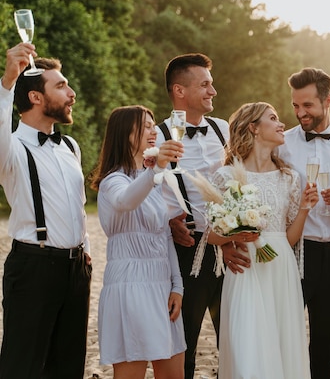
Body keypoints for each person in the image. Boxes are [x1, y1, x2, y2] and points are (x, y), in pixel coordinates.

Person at [223, 67, 330, 379]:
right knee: (281, 339)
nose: (300, 113)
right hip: (290, 253)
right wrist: (229, 243)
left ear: (328, 101)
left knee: (327, 342)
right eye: (296, 106)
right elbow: (249, 185)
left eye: (308, 105)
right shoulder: (282, 143)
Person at [202, 102, 317, 378]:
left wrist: (304, 208)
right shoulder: (226, 175)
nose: (281, 125)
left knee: (282, 345)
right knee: (246, 349)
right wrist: (234, 236)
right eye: (273, 118)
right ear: (253, 127)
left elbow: (288, 238)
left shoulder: (288, 177)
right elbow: (210, 235)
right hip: (245, 269)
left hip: (281, 268)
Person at [0, 43, 92, 378]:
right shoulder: (10, 149)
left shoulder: (70, 146)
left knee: (68, 368)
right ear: (36, 98)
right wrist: (7, 82)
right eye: (61, 85)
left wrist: (87, 253)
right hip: (33, 268)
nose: (72, 93)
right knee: (21, 367)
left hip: (77, 270)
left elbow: (78, 207)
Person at [90, 105, 186, 378]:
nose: (153, 130)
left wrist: (177, 286)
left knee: (173, 373)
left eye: (153, 124)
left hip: (161, 284)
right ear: (125, 133)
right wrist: (154, 171)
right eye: (145, 125)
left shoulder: (156, 181)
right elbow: (126, 200)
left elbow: (165, 234)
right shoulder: (113, 181)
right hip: (129, 284)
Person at [156, 53, 229, 379]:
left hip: (231, 248)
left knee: (233, 340)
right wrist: (169, 220)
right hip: (187, 251)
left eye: (211, 84)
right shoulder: (157, 136)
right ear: (179, 91)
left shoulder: (223, 129)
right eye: (205, 85)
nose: (213, 91)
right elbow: (148, 190)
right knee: (183, 343)